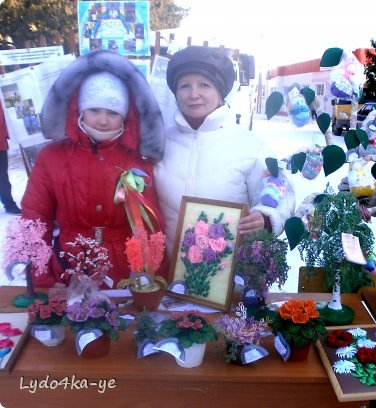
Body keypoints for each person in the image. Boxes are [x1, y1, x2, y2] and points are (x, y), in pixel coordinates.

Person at [21, 50, 166, 288]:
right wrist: (41, 280)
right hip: (67, 269)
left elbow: (151, 225)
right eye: (94, 110)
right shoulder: (52, 157)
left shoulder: (138, 161)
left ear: (125, 116)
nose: (102, 120)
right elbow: (35, 217)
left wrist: (154, 279)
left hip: (124, 274)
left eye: (112, 112)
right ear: (80, 109)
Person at [154, 46, 295, 256]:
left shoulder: (250, 147)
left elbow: (282, 194)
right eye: (184, 86)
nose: (194, 94)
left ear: (220, 92)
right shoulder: (159, 142)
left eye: (204, 85)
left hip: (225, 275)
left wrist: (265, 217)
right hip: (166, 273)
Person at [0, 103, 22, 215]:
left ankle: (9, 204)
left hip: (1, 142)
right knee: (2, 177)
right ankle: (9, 205)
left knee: (3, 176)